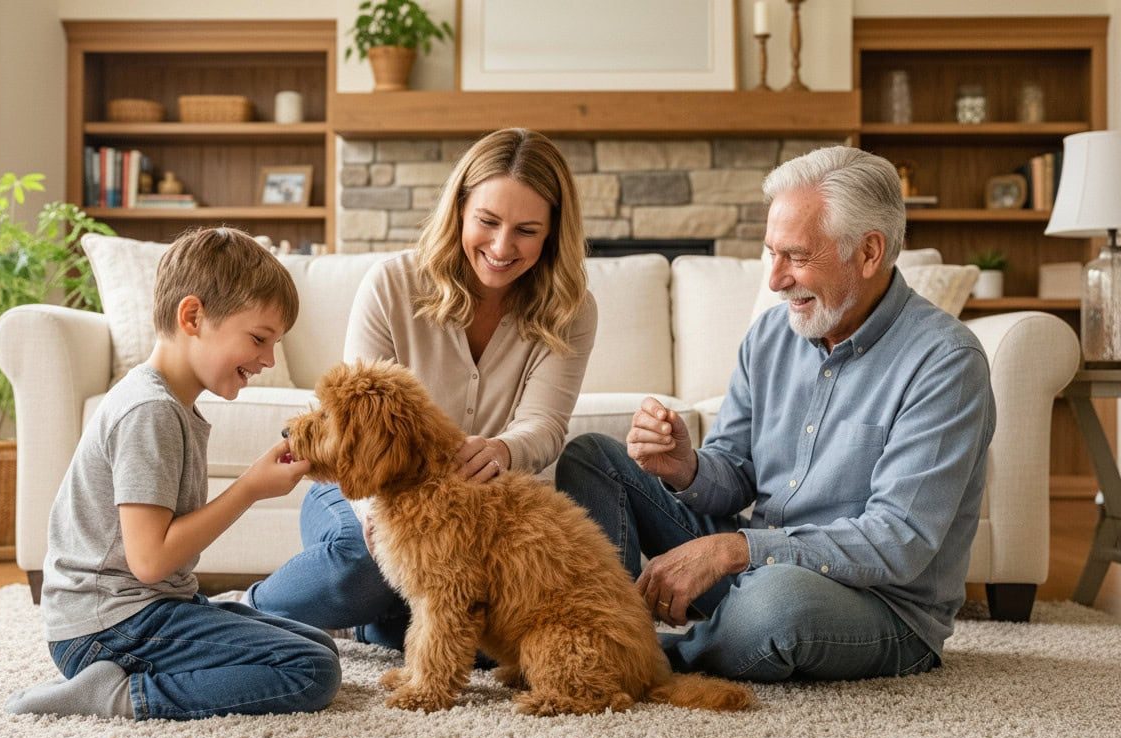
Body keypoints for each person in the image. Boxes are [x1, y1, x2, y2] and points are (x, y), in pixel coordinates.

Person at [557, 146, 996, 682]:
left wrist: (735, 550)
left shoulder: (945, 362)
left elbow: (896, 541)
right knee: (593, 458)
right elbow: (735, 473)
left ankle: (635, 657)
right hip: (759, 568)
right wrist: (682, 466)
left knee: (778, 608)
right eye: (772, 254)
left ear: (869, 252)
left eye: (797, 256)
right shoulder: (771, 334)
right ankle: (597, 626)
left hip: (875, 604)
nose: (775, 280)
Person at [229, 127, 597, 650]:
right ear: (461, 210)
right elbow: (348, 416)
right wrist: (380, 520)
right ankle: (241, 613)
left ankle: (378, 626)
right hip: (364, 484)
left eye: (526, 230)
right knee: (367, 564)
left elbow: (545, 424)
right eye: (487, 222)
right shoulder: (392, 284)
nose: (500, 246)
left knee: (483, 616)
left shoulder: (571, 309)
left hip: (474, 508)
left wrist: (503, 448)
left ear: (553, 234)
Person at [5, 227, 340, 719]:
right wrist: (249, 489)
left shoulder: (169, 406)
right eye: (258, 338)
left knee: (317, 644)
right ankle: (117, 694)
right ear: (192, 316)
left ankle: (141, 671)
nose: (268, 360)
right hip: (106, 626)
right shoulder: (150, 412)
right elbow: (151, 560)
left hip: (141, 610)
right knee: (311, 670)